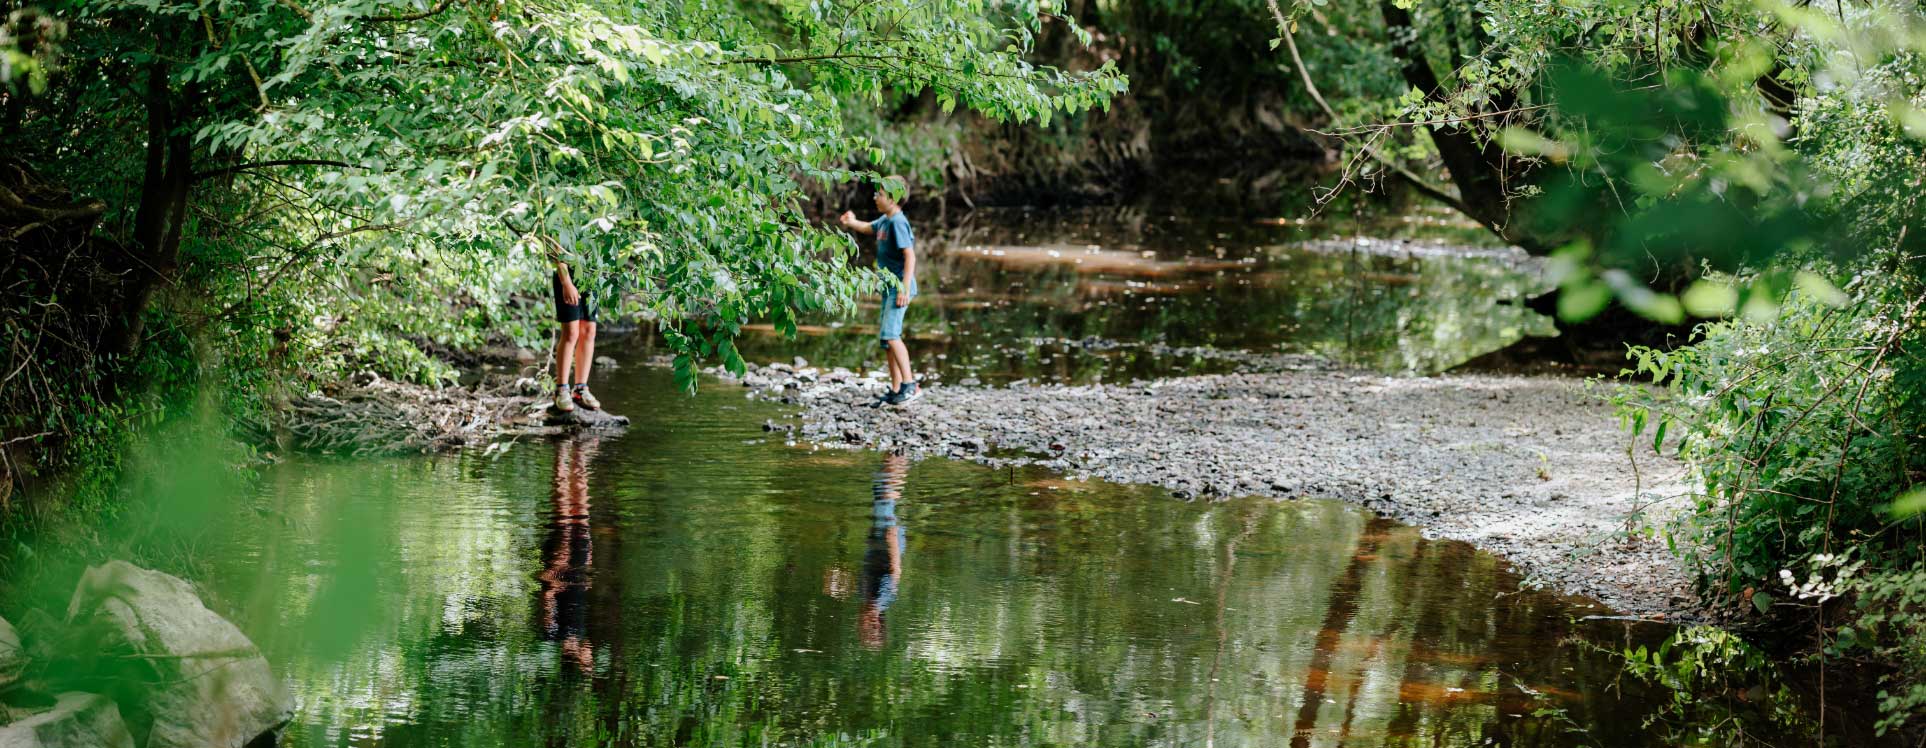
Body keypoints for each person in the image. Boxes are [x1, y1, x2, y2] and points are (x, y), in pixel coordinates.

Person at [838, 177, 921, 406]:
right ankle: (896, 389)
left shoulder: (898, 223)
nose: (875, 197)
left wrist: (904, 288)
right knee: (887, 339)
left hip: (899, 289)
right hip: (888, 288)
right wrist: (852, 222)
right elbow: (868, 228)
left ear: (893, 198)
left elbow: (910, 256)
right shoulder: (886, 220)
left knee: (893, 335)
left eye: (880, 194)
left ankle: (910, 385)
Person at [537, 436, 598, 674]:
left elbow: (547, 597)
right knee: (581, 510)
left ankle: (561, 451)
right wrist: (587, 564)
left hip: (560, 568)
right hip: (578, 567)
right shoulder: (579, 633)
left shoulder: (553, 635)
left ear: (577, 659)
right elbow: (580, 596)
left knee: (563, 510)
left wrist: (556, 570)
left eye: (588, 660)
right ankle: (579, 453)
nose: (591, 654)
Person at [858, 453, 909, 649]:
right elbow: (895, 570)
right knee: (884, 493)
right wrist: (892, 538)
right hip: (888, 538)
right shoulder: (883, 597)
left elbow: (866, 568)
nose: (859, 625)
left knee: (883, 494)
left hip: (878, 537)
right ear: (875, 622)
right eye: (864, 628)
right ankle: (900, 455)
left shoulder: (866, 597)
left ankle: (898, 454)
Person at [545, 235, 601, 413]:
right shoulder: (564, 211)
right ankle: (561, 389)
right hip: (568, 275)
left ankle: (580, 388)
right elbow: (555, 248)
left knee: (589, 330)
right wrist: (566, 282)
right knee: (571, 332)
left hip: (591, 274)